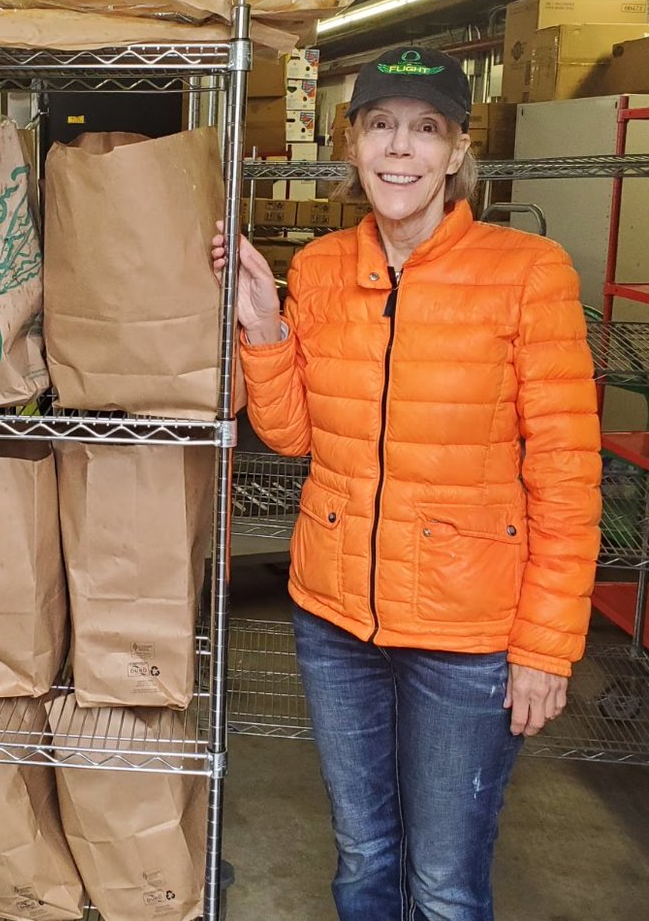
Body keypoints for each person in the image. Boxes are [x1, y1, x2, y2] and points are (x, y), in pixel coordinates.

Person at [212, 46, 601, 921]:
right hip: (335, 616)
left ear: (458, 151)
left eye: (426, 129)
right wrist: (265, 324)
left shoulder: (528, 274)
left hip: (469, 638)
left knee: (444, 883)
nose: (400, 149)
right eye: (382, 125)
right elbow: (294, 432)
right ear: (351, 143)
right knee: (362, 856)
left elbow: (568, 476)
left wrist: (545, 646)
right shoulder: (319, 268)